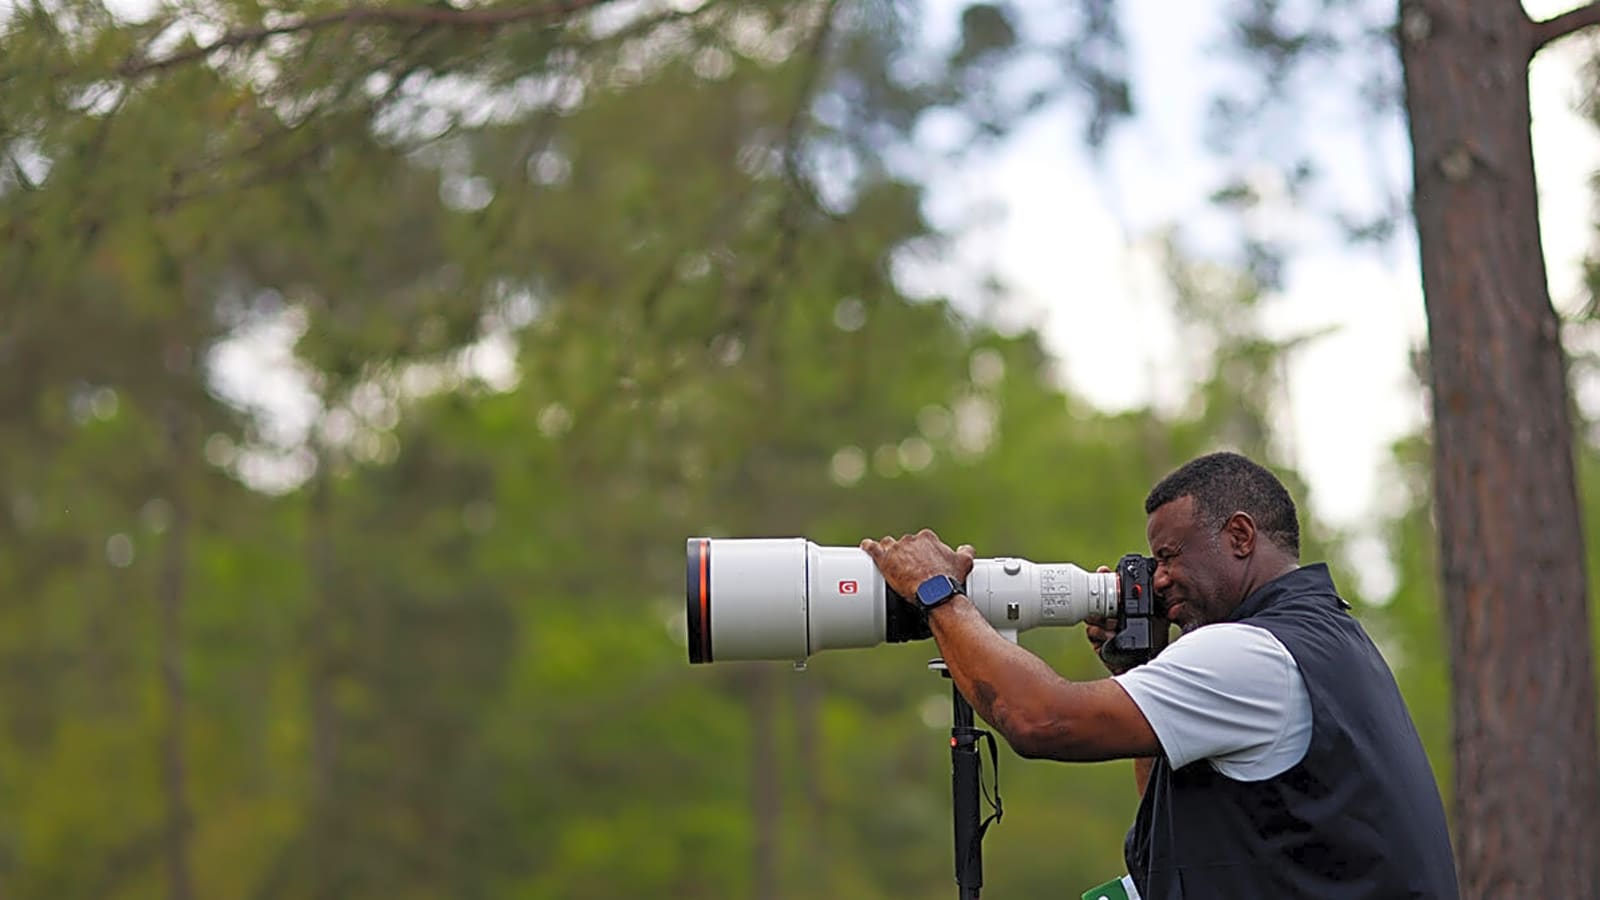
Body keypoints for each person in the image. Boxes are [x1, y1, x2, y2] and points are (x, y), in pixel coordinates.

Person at [860, 451, 1458, 899]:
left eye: (1169, 555)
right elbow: (1181, 830)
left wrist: (938, 593)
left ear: (1240, 536)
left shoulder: (1250, 656)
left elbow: (1039, 720)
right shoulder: (1325, 640)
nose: (1159, 578)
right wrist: (1138, 669)